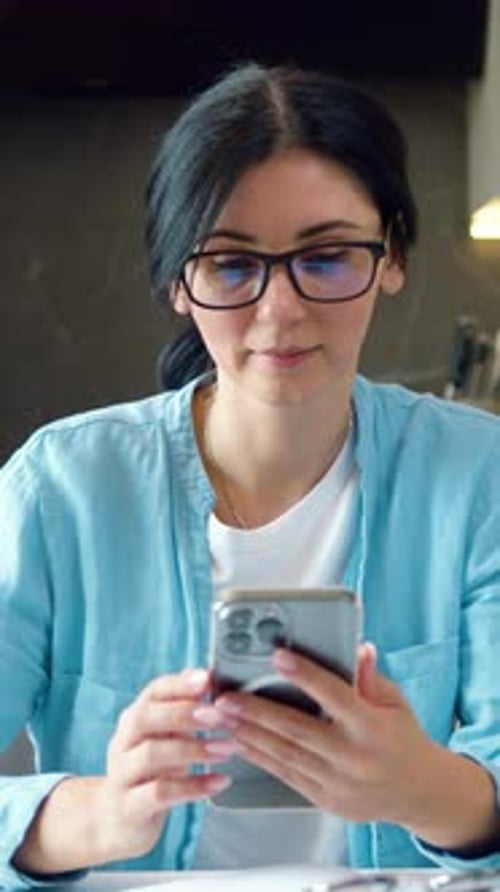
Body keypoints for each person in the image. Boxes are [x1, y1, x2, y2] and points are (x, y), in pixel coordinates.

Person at [1, 61, 500, 887]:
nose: (281, 310)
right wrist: (102, 814)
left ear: (393, 256)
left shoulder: (480, 476)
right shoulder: (61, 489)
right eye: (231, 265)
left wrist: (423, 789)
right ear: (178, 282)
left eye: (327, 257)